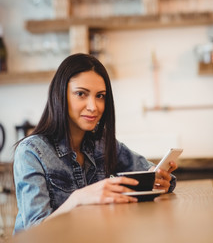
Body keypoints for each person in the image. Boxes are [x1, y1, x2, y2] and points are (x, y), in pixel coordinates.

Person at [13, 53, 177, 234]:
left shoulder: (102, 142)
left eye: (100, 96)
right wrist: (77, 199)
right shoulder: (31, 152)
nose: (93, 106)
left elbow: (147, 170)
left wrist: (160, 179)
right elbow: (34, 232)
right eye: (81, 94)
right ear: (60, 95)